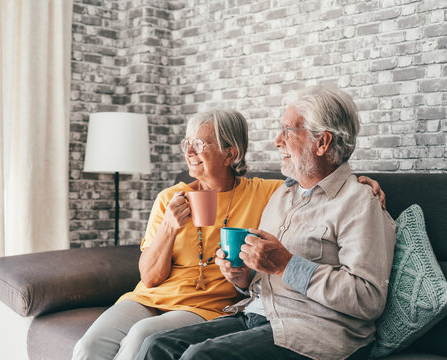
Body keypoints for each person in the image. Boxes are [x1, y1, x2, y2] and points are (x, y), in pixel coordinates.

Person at [72, 109, 384, 360]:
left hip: (205, 306)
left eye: (200, 144)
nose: (189, 152)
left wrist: (358, 183)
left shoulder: (268, 192)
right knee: (88, 347)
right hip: (150, 298)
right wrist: (169, 226)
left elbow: (316, 187)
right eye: (187, 143)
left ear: (229, 153)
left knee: (144, 337)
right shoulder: (171, 198)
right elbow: (150, 278)